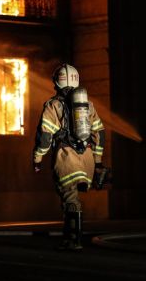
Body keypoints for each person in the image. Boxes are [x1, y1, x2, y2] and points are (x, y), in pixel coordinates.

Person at [32, 63, 106, 251]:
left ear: (56, 82)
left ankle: (74, 240)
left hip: (67, 160)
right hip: (87, 159)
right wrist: (97, 163)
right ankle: (74, 236)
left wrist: (37, 160)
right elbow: (100, 134)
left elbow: (45, 137)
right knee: (74, 198)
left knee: (70, 199)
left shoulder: (53, 105)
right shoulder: (88, 105)